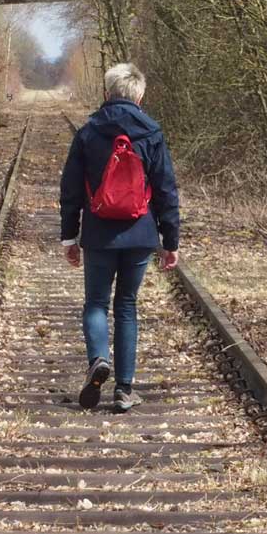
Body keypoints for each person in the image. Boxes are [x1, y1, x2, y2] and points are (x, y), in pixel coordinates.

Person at [59, 62, 181, 412]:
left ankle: (99, 359)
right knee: (126, 305)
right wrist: (170, 241)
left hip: (99, 233)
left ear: (106, 93)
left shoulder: (89, 132)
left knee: (96, 303)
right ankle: (124, 390)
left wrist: (69, 237)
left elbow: (70, 189)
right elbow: (166, 190)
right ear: (140, 96)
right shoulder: (152, 133)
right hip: (140, 234)